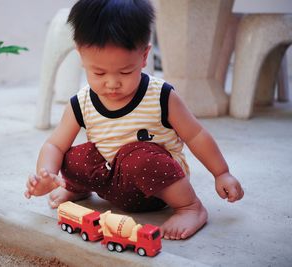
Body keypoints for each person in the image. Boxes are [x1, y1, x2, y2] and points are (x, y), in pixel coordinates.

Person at [25, 0, 244, 240]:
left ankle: (190, 207)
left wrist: (221, 172)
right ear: (81, 56)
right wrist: (46, 175)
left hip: (156, 189)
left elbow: (195, 135)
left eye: (125, 72)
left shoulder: (161, 96)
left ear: (144, 56)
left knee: (138, 157)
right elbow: (54, 145)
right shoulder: (82, 102)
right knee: (73, 156)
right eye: (98, 72)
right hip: (112, 183)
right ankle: (77, 189)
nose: (111, 83)